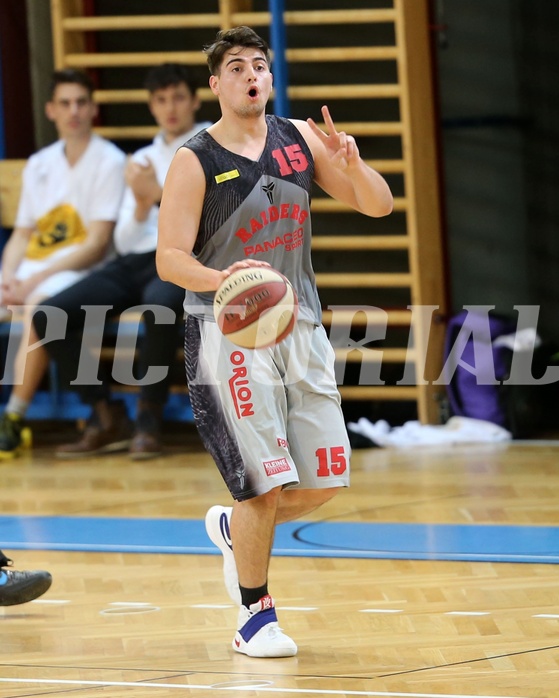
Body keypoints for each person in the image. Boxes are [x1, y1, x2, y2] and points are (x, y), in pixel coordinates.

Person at [156, 27, 393, 657]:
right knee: (262, 484)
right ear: (216, 84)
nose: (251, 76)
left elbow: (379, 206)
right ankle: (253, 616)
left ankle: (237, 532)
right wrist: (222, 282)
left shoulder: (299, 139)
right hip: (225, 331)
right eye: (236, 67)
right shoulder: (195, 158)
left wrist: (351, 163)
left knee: (324, 480)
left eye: (258, 65)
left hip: (301, 325)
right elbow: (168, 258)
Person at [32, 64, 211, 459]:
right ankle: (105, 413)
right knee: (48, 314)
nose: (170, 108)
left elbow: (208, 227)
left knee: (159, 308)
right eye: (161, 100)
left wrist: (157, 196)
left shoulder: (211, 148)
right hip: (134, 259)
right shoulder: (144, 157)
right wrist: (143, 201)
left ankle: (149, 419)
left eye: (179, 97)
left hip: (182, 257)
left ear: (196, 101)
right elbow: (124, 238)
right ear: (150, 106)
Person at [0, 69, 126, 459]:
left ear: (92, 108)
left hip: (79, 271)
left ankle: (14, 418)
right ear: (51, 110)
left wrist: (35, 277)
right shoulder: (39, 163)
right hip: (30, 269)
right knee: (20, 298)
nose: (73, 111)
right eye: (65, 103)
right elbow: (22, 233)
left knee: (39, 308)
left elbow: (97, 243)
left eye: (81, 102)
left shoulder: (111, 161)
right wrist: (7, 277)